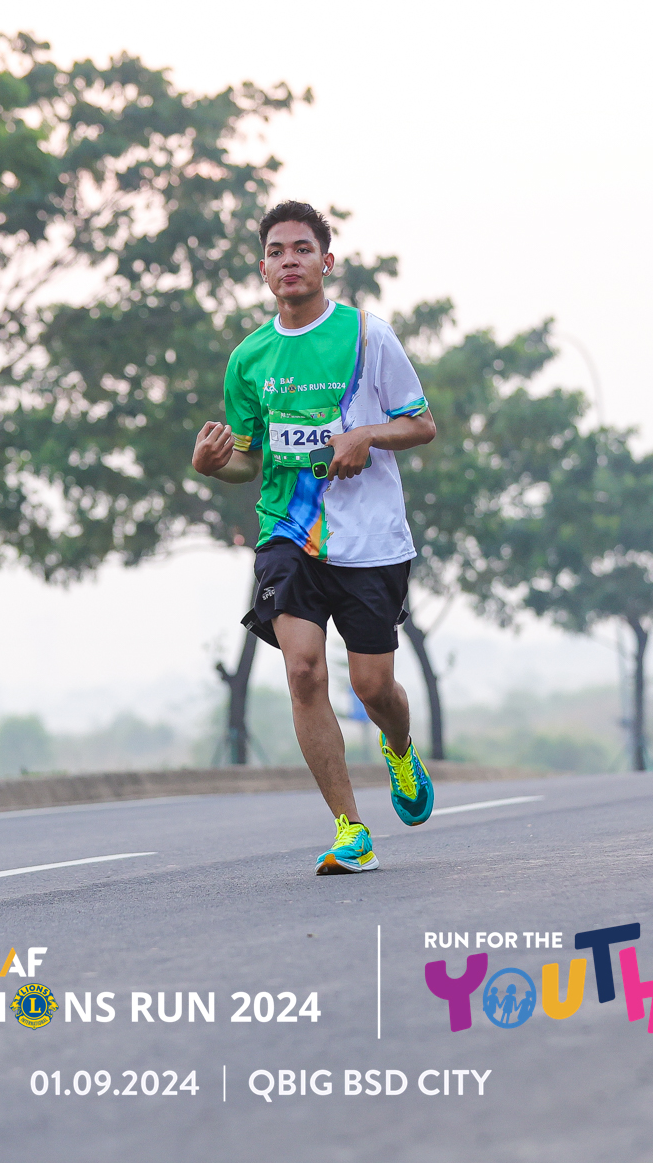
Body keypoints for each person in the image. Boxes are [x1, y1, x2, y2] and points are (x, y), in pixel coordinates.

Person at [192, 200, 438, 874]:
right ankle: (351, 829)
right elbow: (248, 459)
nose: (289, 261)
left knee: (373, 687)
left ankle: (398, 747)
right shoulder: (249, 359)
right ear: (263, 268)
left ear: (325, 262)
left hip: (371, 539)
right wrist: (213, 466)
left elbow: (421, 425)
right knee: (302, 669)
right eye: (276, 251)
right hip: (288, 532)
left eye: (302, 249)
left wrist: (366, 435)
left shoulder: (367, 336)